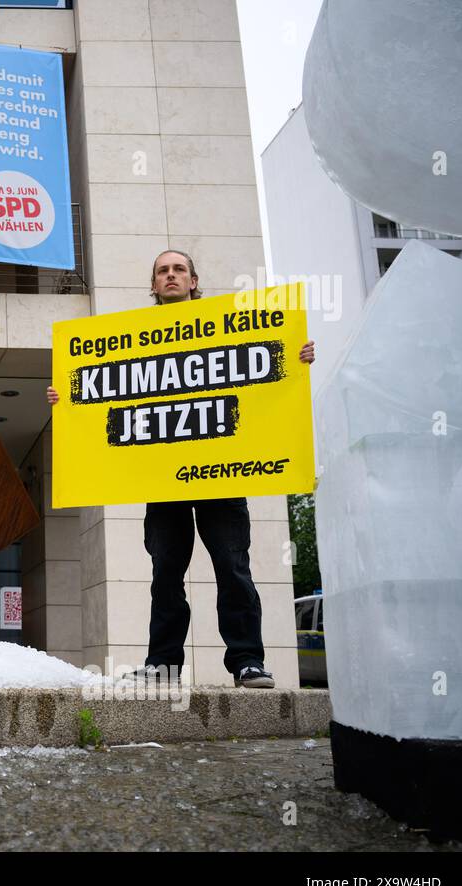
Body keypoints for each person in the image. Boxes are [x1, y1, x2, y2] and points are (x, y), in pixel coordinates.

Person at [46, 251, 315, 688]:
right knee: (165, 575)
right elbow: (102, 395)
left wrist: (296, 354)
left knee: (233, 567)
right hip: (163, 481)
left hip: (221, 477)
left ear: (194, 281)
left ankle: (247, 661)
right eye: (162, 271)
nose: (170, 276)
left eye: (178, 270)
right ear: (154, 285)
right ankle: (163, 664)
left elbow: (266, 372)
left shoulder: (231, 328)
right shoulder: (130, 340)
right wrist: (68, 399)